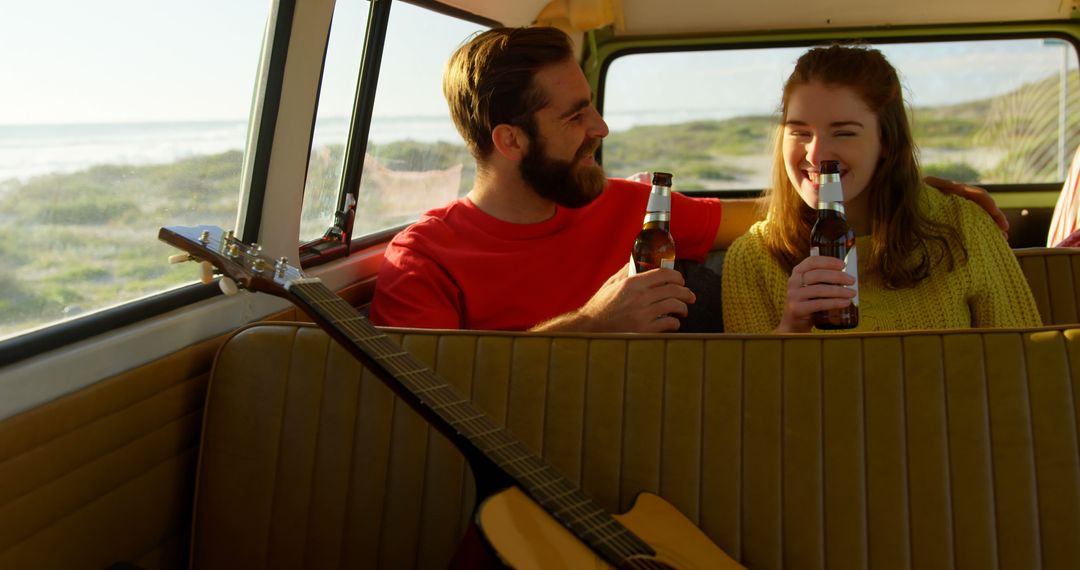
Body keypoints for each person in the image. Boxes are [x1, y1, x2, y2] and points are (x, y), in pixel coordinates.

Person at [370, 28, 1008, 333]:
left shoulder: (637, 209)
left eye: (593, 102)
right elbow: (433, 400)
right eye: (575, 115)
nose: (603, 126)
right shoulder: (423, 259)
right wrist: (590, 324)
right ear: (510, 141)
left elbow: (781, 213)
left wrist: (931, 191)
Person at [721, 44, 1042, 333]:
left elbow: (1028, 366)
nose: (816, 155)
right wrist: (790, 330)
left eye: (844, 133)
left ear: (886, 141)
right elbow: (756, 397)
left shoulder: (964, 226)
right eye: (800, 132)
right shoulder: (753, 258)